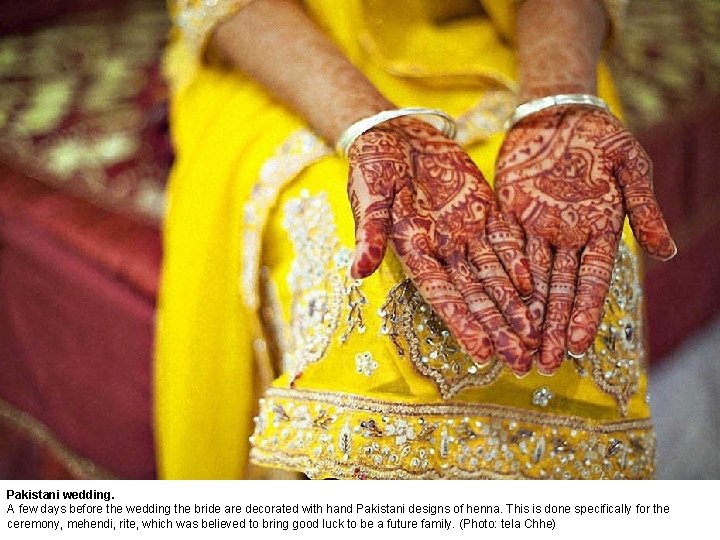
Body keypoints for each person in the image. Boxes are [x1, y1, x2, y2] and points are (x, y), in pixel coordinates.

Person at [156, 0, 675, 479]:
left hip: (517, 51)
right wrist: (366, 123)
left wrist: (557, 101)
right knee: (366, 273)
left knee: (568, 260)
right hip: (288, 56)